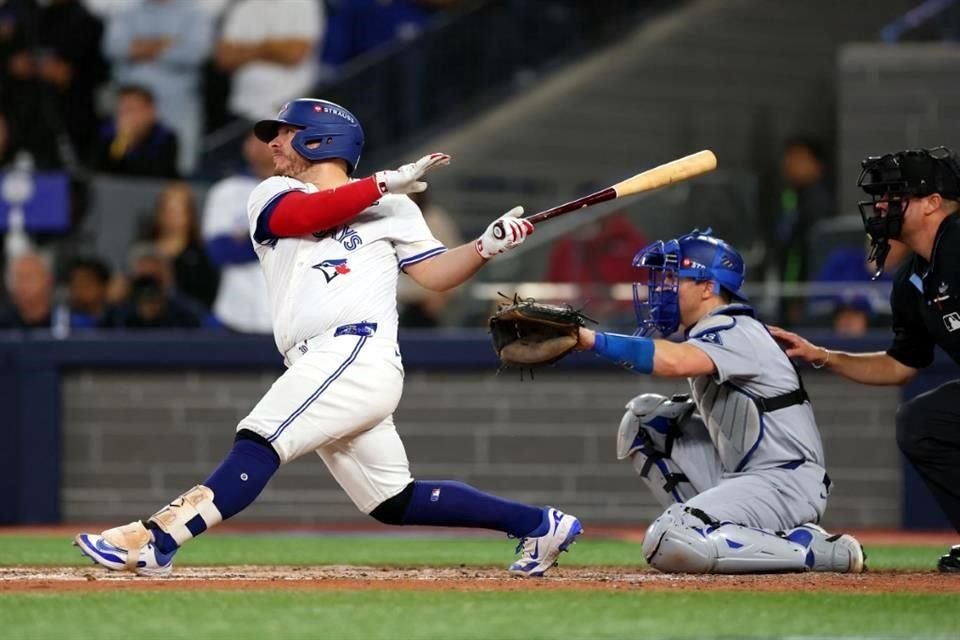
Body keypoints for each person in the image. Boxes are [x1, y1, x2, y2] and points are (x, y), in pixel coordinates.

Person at [74, 98, 581, 578]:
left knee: (260, 436)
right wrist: (382, 184)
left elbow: (435, 275)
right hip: (316, 360)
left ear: (322, 139)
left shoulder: (397, 208)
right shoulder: (273, 194)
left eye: (287, 134)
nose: (273, 144)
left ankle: (155, 541)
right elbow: (306, 218)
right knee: (391, 501)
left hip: (356, 351)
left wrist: (482, 247)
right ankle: (540, 526)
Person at [573, 229, 863, 574]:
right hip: (744, 478)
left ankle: (815, 551)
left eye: (673, 277)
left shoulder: (736, 328)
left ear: (708, 287)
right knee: (646, 420)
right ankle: (710, 530)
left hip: (786, 482)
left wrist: (589, 339)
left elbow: (676, 361)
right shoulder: (713, 329)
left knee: (668, 537)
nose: (662, 288)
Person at [770, 146, 960, 573]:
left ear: (933, 203)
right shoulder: (914, 278)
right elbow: (900, 365)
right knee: (924, 421)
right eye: (881, 196)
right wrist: (824, 356)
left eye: (895, 196)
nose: (881, 206)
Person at [102, 0, 213, 175]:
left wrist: (139, 47)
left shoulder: (196, 13)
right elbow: (114, 47)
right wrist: (167, 44)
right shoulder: (125, 11)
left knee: (178, 169)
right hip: (130, 104)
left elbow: (195, 53)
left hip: (177, 105)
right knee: (115, 166)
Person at [201, 132, 274, 332]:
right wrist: (281, 233)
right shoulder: (226, 190)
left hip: (289, 321)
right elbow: (220, 251)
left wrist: (250, 237)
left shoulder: (305, 190)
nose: (259, 146)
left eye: (267, 139)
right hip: (234, 316)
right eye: (253, 139)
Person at [214, 0, 322, 123]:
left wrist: (245, 50)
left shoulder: (304, 4)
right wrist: (270, 48)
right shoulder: (243, 7)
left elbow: (295, 54)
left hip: (287, 110)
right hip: (243, 109)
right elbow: (224, 58)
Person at [147, 182, 220, 310]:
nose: (171, 216)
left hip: (185, 325)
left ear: (190, 215)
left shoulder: (202, 256)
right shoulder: (143, 252)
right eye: (167, 209)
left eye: (178, 211)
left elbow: (205, 300)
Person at [89, 84, 179, 179]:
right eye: (122, 111)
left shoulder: (165, 137)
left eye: (131, 110)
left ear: (150, 111)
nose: (126, 117)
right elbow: (98, 173)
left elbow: (156, 176)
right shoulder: (107, 135)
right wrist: (121, 140)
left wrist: (134, 142)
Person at [0, 251, 54, 329]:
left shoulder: (66, 322)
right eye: (18, 278)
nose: (23, 285)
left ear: (48, 280)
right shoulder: (3, 324)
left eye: (29, 277)